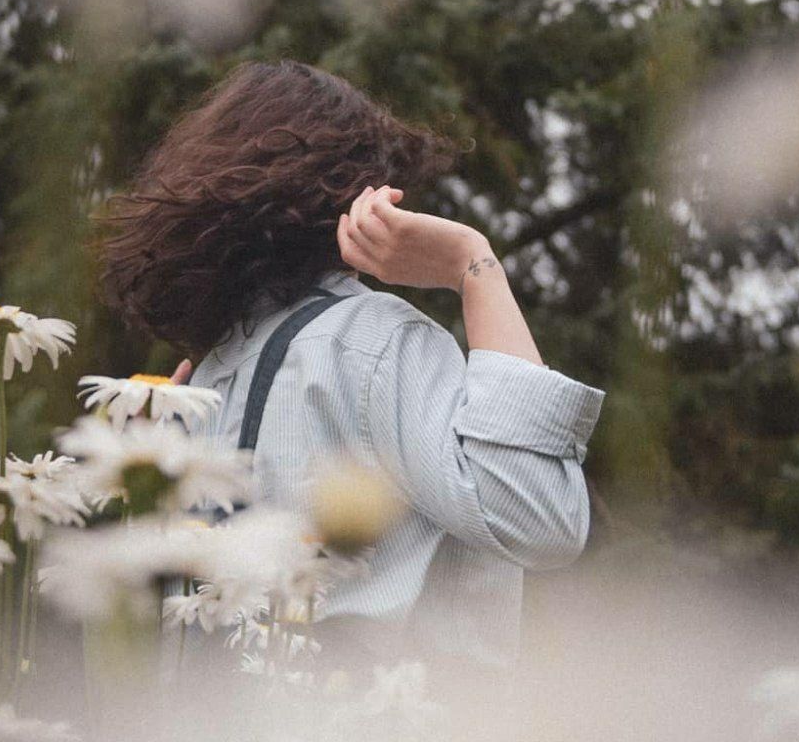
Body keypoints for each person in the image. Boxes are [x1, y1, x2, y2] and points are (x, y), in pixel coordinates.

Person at [100, 59, 605, 671]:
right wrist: (473, 265)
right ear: (356, 196)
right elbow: (542, 515)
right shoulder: (373, 342)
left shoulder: (201, 383)